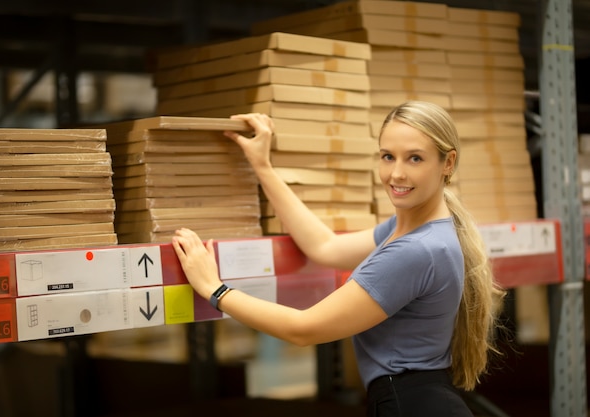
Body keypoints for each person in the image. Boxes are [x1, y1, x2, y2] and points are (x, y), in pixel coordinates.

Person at [171, 101, 506, 417]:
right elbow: (324, 247)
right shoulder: (413, 230)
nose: (396, 174)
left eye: (415, 159)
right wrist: (262, 166)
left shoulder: (416, 250)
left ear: (448, 163)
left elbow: (304, 329)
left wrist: (214, 289)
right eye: (388, 156)